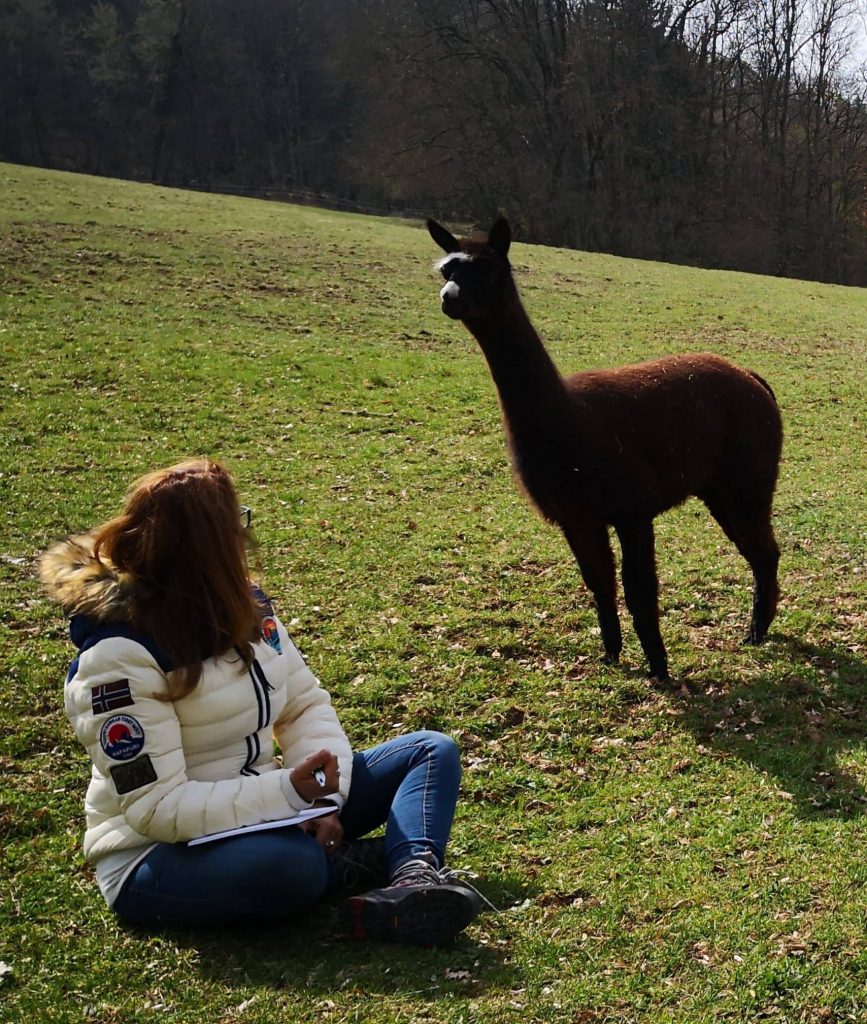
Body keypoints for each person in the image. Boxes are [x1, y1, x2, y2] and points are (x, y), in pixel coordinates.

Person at [39, 458, 482, 944]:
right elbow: (157, 808)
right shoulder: (118, 657)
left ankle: (412, 878)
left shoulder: (245, 607)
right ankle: (345, 865)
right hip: (156, 853)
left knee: (427, 751)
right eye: (236, 523)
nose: (244, 536)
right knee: (290, 865)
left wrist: (323, 797)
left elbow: (303, 705)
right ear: (206, 549)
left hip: (272, 806)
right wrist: (291, 795)